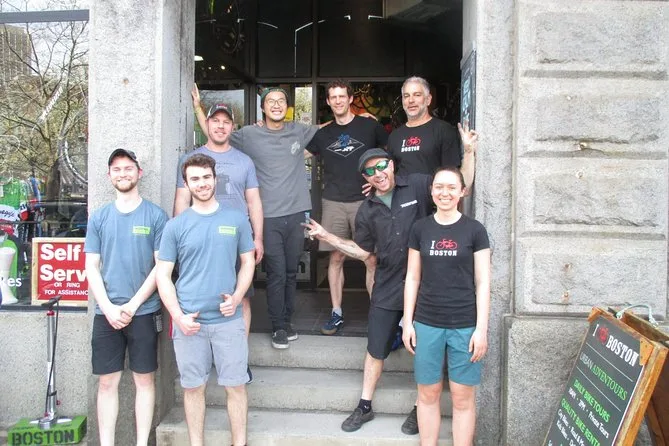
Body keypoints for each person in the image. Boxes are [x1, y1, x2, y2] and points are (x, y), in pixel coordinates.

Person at [304, 128, 476, 434]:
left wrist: (470, 151)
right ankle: (364, 405)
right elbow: (364, 252)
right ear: (365, 178)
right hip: (387, 283)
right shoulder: (367, 210)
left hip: (425, 287)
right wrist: (328, 236)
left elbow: (458, 185)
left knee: (426, 350)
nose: (378, 173)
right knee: (375, 348)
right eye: (370, 171)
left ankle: (419, 407)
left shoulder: (419, 185)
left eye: (381, 166)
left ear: (392, 165)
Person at [156, 153, 255, 446]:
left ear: (215, 179)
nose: (202, 183)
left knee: (236, 386)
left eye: (206, 177)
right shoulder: (175, 226)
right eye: (195, 179)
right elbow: (163, 275)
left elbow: (248, 262)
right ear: (186, 184)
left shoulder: (236, 219)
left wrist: (237, 297)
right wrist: (177, 316)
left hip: (228, 321)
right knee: (192, 388)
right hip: (190, 323)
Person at [84, 148, 168, 446]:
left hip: (144, 311)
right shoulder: (99, 217)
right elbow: (91, 266)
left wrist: (132, 305)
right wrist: (107, 307)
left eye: (128, 168)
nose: (123, 173)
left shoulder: (156, 215)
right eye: (117, 169)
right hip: (106, 313)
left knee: (144, 379)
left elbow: (161, 267)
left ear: (139, 172)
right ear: (109, 176)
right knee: (107, 382)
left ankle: (142, 442)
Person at [402, 166, 491, 446]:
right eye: (439, 187)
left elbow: (483, 282)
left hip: (465, 325)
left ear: (462, 192)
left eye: (452, 187)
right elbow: (413, 277)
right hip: (427, 322)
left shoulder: (475, 230)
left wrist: (481, 330)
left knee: (462, 397)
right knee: (427, 393)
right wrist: (407, 322)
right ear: (431, 191)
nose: (445, 193)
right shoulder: (420, 228)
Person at [178, 98, 263, 381]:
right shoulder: (191, 160)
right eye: (215, 121)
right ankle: (204, 357)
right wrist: (180, 238)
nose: (221, 126)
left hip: (236, 241)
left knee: (242, 298)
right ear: (207, 124)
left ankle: (238, 359)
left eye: (226, 122)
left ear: (232, 127)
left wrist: (258, 238)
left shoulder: (244, 161)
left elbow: (254, 202)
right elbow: (182, 200)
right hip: (199, 241)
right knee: (200, 296)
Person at [229, 87, 319, 349]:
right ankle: (278, 326)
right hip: (268, 216)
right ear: (263, 108)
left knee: (291, 272)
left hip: (297, 213)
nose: (276, 105)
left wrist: (361, 117)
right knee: (277, 273)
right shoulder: (249, 134)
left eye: (281, 101)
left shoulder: (298, 130)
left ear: (288, 107)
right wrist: (198, 109)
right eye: (271, 101)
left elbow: (328, 129)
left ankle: (287, 322)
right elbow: (216, 134)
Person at [306, 79, 388, 335]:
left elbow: (390, 157)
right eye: (333, 97)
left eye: (342, 96)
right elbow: (296, 151)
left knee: (371, 258)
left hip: (365, 202)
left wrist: (377, 183)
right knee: (336, 257)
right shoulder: (323, 134)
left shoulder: (369, 126)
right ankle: (336, 313)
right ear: (328, 102)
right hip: (333, 201)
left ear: (351, 98)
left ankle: (378, 315)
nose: (338, 101)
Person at [388, 76, 474, 187]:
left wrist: (469, 151)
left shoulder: (444, 130)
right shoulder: (394, 136)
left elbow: (453, 177)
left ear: (428, 100)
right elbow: (389, 175)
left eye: (417, 95)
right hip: (401, 197)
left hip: (433, 197)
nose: (411, 100)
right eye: (406, 96)